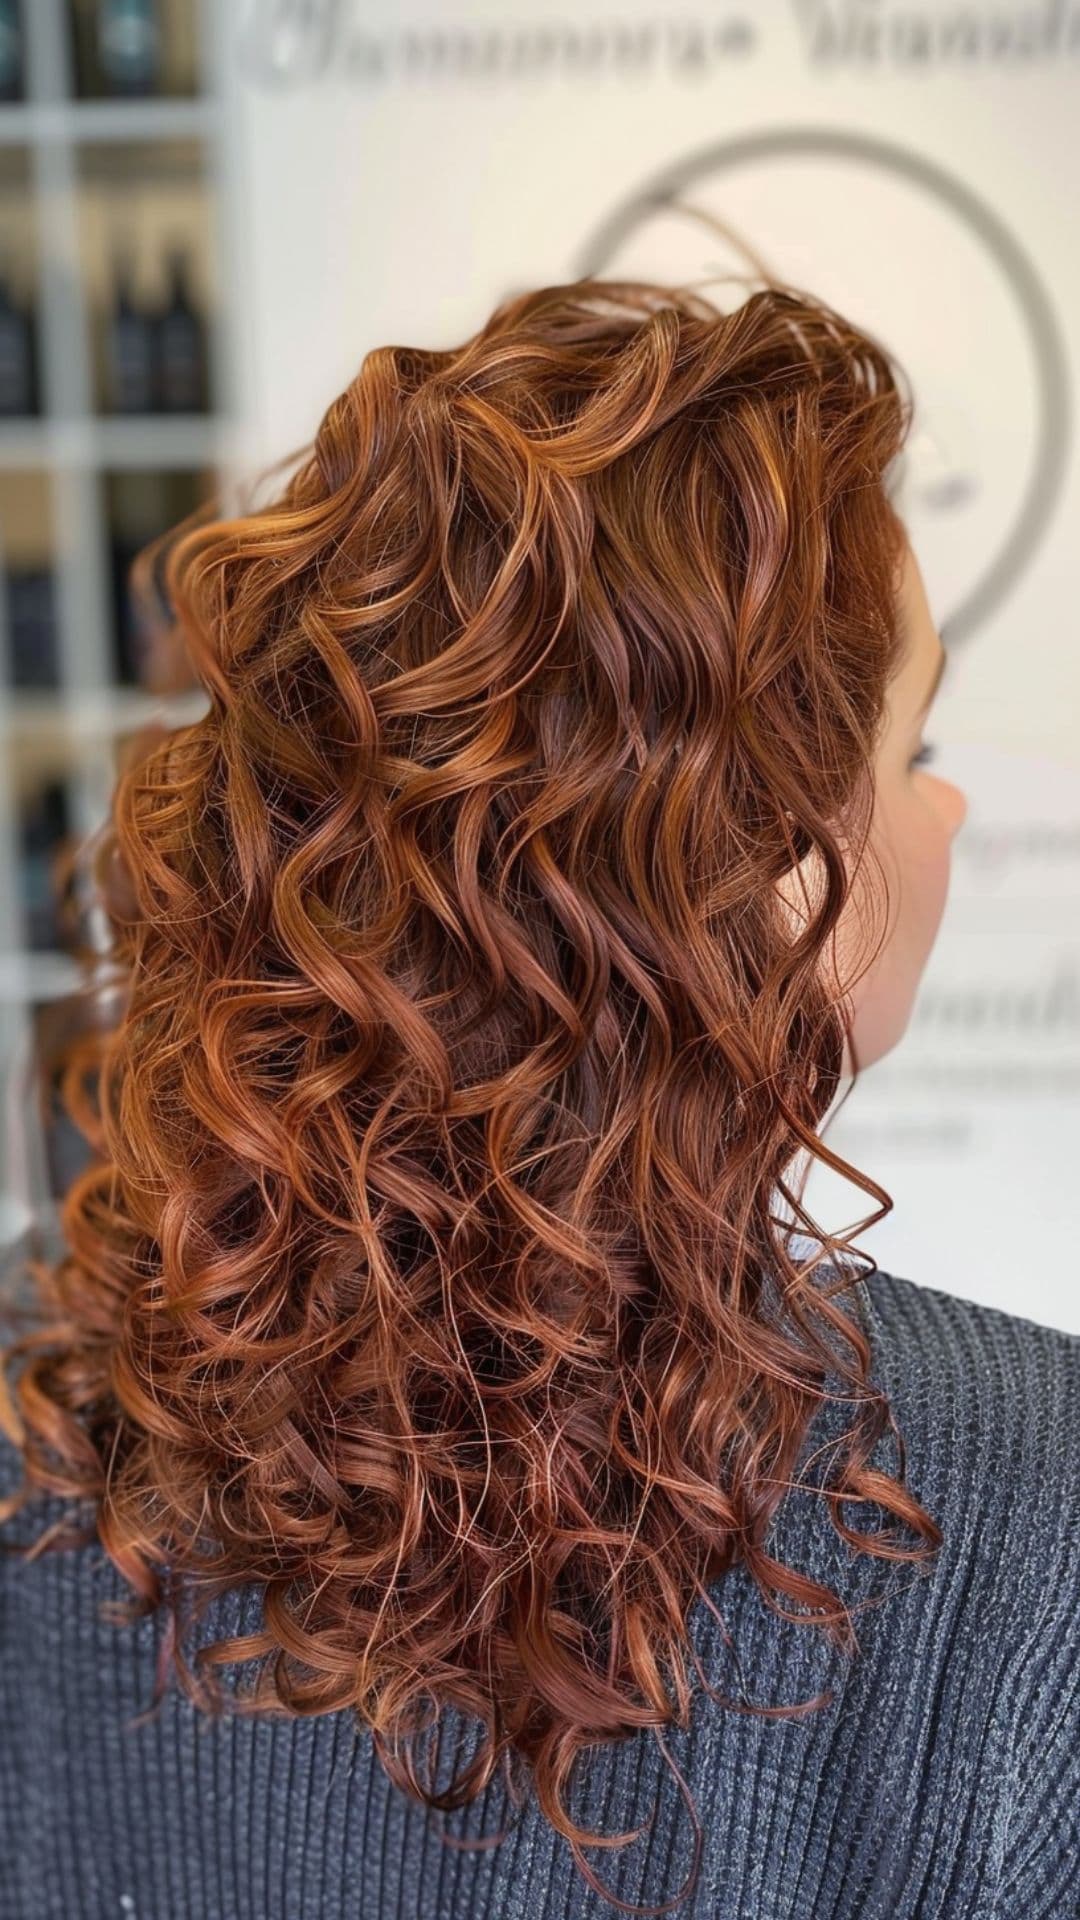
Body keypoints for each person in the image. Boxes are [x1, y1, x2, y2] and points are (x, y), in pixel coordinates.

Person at [0, 275, 1076, 1920]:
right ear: (772, 880)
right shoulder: (1026, 1517)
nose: (949, 809)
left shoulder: (45, 1409)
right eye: (912, 746)